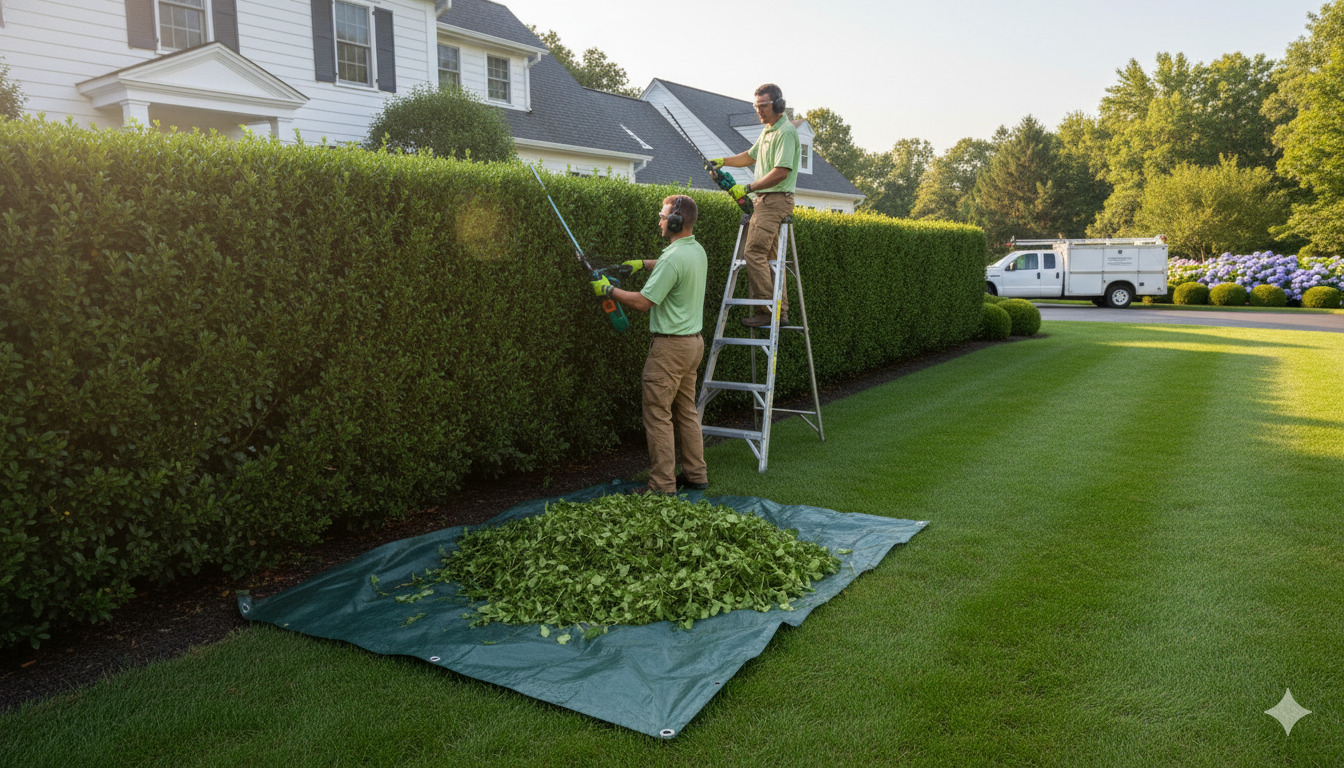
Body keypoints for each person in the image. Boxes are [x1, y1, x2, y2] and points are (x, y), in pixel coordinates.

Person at [591, 195, 710, 495]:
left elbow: (644, 302)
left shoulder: (673, 257)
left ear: (676, 221)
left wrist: (609, 289)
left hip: (669, 350)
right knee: (686, 412)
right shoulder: (695, 251)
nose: (659, 221)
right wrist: (643, 264)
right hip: (693, 345)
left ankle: (661, 486)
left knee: (658, 415)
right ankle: (696, 475)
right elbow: (671, 266)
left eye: (662, 216)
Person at [710, 83, 801, 327]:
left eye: (763, 106)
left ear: (778, 105)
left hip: (775, 200)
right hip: (765, 200)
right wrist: (723, 161)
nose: (759, 111)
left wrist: (748, 188)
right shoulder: (768, 131)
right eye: (756, 107)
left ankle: (766, 311)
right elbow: (750, 156)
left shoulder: (785, 132)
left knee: (753, 253)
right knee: (771, 258)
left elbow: (781, 172)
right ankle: (779, 313)